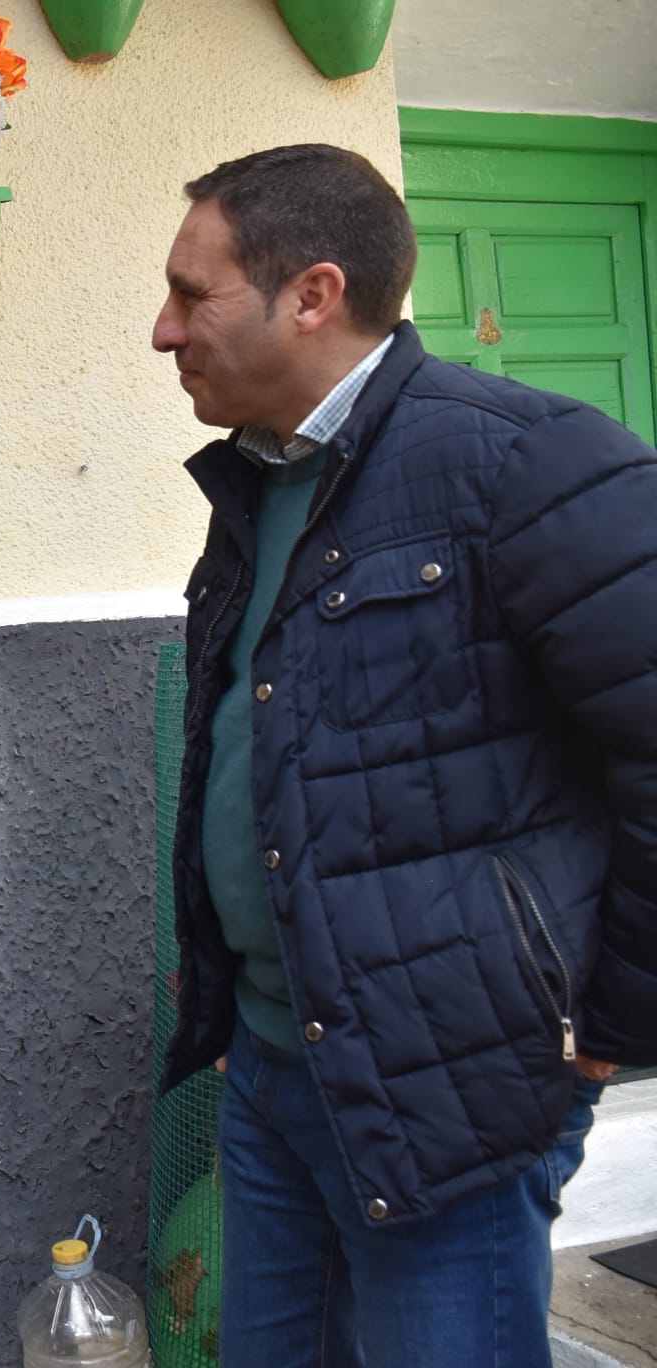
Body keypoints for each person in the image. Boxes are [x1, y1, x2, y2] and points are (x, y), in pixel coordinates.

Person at [154, 144, 657, 1366]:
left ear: (312, 295)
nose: (162, 332)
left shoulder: (525, 463)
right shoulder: (255, 486)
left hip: (451, 1089)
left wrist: (616, 1023)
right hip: (273, 1066)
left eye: (191, 293)